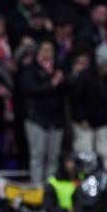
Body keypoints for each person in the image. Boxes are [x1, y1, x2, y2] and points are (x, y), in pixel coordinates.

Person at [21, 41, 67, 185]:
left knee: (53, 157)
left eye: (50, 50)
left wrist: (63, 81)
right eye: (44, 49)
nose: (47, 53)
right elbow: (30, 89)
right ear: (38, 52)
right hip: (37, 119)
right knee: (37, 156)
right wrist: (51, 84)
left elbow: (68, 91)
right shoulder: (30, 69)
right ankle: (37, 187)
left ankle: (49, 188)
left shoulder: (59, 69)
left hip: (56, 120)